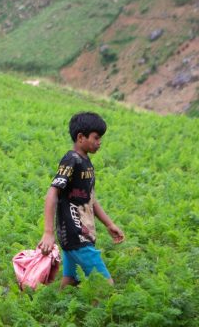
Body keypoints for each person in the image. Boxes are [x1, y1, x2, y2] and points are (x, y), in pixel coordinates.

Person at [38, 112, 124, 287]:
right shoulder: (72, 160)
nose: (99, 142)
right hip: (76, 234)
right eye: (96, 137)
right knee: (104, 286)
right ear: (80, 137)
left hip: (77, 234)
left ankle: (56, 313)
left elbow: (90, 199)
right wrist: (48, 232)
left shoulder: (86, 163)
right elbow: (52, 192)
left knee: (70, 281)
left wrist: (109, 224)